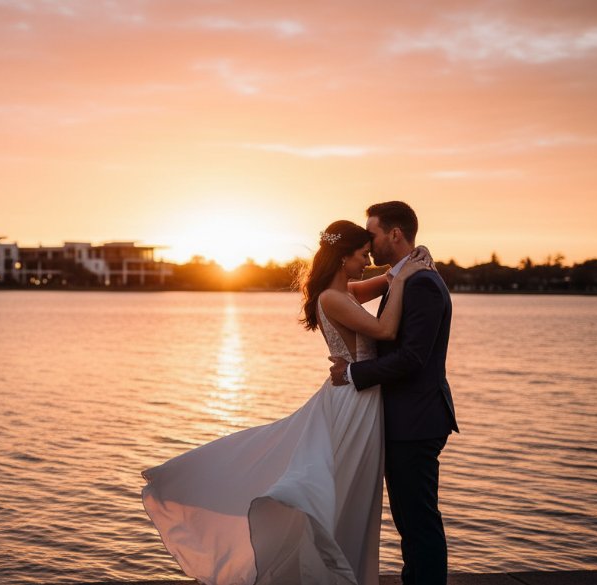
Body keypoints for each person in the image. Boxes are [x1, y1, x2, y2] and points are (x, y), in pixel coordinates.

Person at [142, 219, 433, 585]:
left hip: (359, 397)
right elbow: (387, 330)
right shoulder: (333, 298)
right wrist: (405, 279)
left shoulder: (344, 293)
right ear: (343, 258)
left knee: (354, 491)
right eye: (361, 256)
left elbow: (387, 280)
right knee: (345, 489)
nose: (367, 262)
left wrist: (407, 265)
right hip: (355, 403)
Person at [329, 201, 458, 585]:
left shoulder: (422, 284)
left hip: (416, 420)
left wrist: (354, 372)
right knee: (408, 519)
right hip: (403, 418)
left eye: (372, 234)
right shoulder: (405, 278)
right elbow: (349, 293)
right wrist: (395, 276)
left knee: (418, 520)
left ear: (395, 234)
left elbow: (413, 358)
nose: (368, 242)